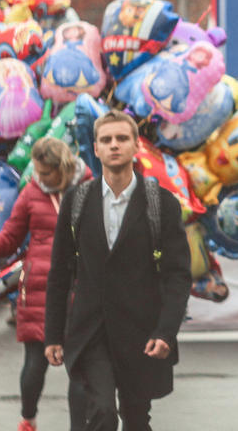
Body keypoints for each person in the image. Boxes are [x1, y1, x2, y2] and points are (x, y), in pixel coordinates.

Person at [44, 110, 191, 431]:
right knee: (103, 413)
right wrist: (53, 334)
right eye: (106, 140)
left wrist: (166, 331)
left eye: (122, 139)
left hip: (142, 332)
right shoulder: (77, 201)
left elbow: (177, 274)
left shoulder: (161, 203)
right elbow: (60, 272)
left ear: (136, 146)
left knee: (137, 419)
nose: (114, 145)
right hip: (91, 331)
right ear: (94, 148)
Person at [0, 138, 89, 431]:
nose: (40, 178)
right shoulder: (31, 192)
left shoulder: (89, 187)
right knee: (36, 361)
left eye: (46, 173)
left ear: (63, 168)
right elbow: (10, 236)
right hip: (39, 288)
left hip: (81, 286)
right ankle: (28, 418)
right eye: (37, 172)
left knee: (81, 368)